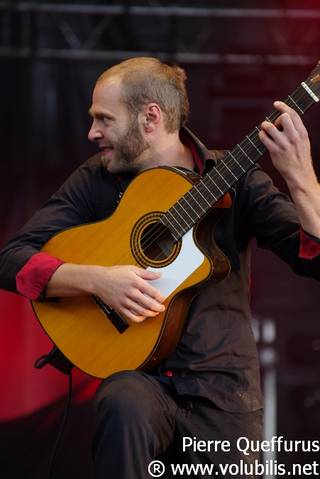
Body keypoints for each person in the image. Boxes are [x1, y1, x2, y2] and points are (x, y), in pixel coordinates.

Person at [0, 56, 320, 479]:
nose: (92, 133)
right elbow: (13, 259)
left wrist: (301, 179)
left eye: (103, 119)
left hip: (222, 393)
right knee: (122, 401)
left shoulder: (236, 180)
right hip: (141, 380)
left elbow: (312, 260)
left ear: (150, 117)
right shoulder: (96, 179)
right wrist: (99, 281)